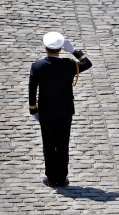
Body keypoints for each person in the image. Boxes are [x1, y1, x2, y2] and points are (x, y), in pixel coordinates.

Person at [29, 31, 92, 187]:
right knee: (63, 144)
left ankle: (51, 178)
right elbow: (87, 63)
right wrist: (74, 50)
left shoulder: (38, 66)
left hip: (46, 112)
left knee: (48, 144)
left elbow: (32, 89)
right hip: (64, 112)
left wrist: (33, 109)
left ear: (46, 48)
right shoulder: (69, 64)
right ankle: (62, 178)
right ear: (60, 49)